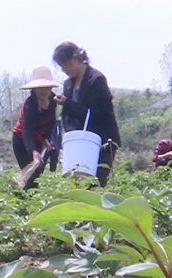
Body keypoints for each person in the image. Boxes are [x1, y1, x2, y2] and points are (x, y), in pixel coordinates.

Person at [53, 41, 121, 187]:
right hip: (79, 144)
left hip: (101, 141)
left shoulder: (96, 80)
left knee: (96, 183)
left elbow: (96, 115)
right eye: (61, 66)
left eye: (66, 64)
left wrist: (68, 103)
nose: (65, 69)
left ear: (76, 58)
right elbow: (67, 116)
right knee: (76, 183)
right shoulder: (68, 85)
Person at [12, 66, 60, 190]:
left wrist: (46, 139)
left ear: (50, 87)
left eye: (45, 87)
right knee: (30, 178)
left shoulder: (53, 102)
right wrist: (33, 151)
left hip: (39, 140)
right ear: (34, 88)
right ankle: (22, 203)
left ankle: (31, 202)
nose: (43, 91)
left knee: (38, 174)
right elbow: (27, 133)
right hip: (22, 142)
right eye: (39, 88)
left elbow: (52, 122)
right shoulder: (30, 105)